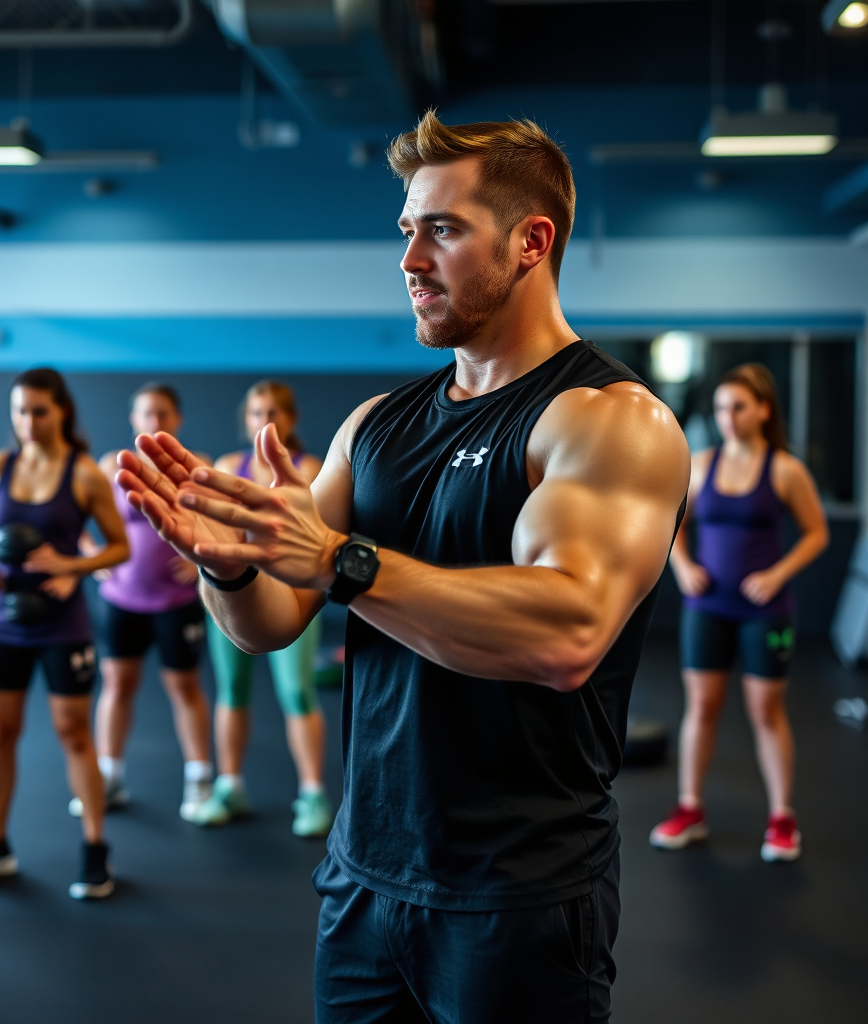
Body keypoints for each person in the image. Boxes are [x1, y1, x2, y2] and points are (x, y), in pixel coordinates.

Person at [117, 112, 691, 1023]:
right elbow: (271, 623)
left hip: (519, 896)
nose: (409, 260)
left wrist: (342, 561)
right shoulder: (375, 425)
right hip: (364, 879)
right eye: (407, 231)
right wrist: (226, 567)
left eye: (443, 230)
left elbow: (569, 632)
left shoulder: (605, 420)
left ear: (530, 242)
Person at [0, 367, 129, 900]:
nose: (28, 421)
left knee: (75, 734)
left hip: (62, 625)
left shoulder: (83, 475)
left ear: (62, 411)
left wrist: (74, 565)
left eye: (39, 411)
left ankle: (95, 848)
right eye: (20, 410)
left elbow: (119, 548)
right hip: (1, 623)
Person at [650, 363, 828, 861]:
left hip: (764, 612)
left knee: (765, 712)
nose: (728, 416)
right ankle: (690, 808)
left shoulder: (785, 470)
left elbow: (817, 534)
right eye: (722, 407)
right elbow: (672, 523)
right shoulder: (701, 464)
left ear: (763, 411)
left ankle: (782, 818)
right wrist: (681, 567)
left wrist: (777, 573)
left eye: (739, 407)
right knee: (701, 709)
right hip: (707, 607)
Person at [189, 380, 332, 838]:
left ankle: (312, 793)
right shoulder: (229, 467)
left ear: (290, 419)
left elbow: (322, 539)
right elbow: (208, 531)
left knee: (298, 693)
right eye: (255, 413)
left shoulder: (313, 469)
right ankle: (229, 786)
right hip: (236, 596)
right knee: (231, 690)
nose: (264, 420)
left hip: (292, 595)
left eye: (273, 412)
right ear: (245, 419)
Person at [72, 382, 214, 820]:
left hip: (176, 600)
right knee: (116, 686)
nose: (155, 422)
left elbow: (225, 524)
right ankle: (109, 778)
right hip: (122, 600)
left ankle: (200, 781)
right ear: (134, 419)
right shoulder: (111, 465)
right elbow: (73, 517)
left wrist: (201, 563)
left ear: (178, 420)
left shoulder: (198, 466)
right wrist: (88, 554)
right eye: (147, 414)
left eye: (163, 414)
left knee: (184, 688)